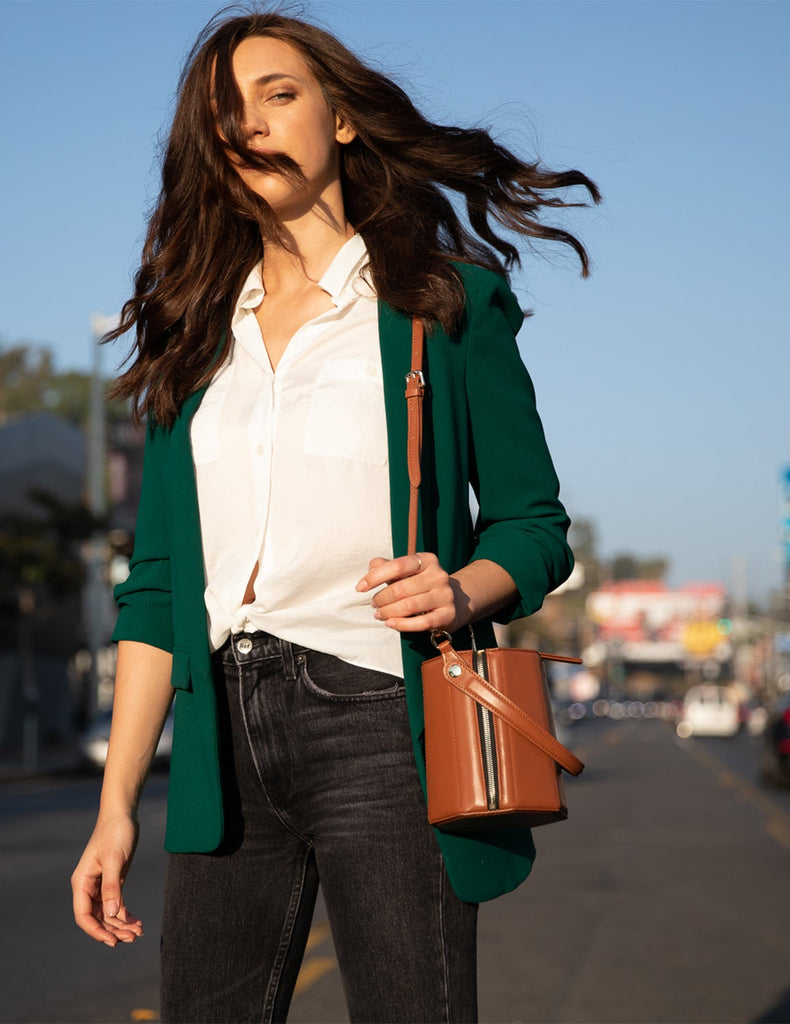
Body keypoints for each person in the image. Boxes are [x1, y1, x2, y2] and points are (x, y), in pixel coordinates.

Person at [70, 10, 597, 1023]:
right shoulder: (195, 332)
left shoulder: (442, 304)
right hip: (221, 737)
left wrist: (458, 583)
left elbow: (533, 527)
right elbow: (159, 591)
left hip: (381, 720)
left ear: (342, 119)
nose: (251, 124)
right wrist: (113, 808)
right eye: (226, 111)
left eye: (279, 94)